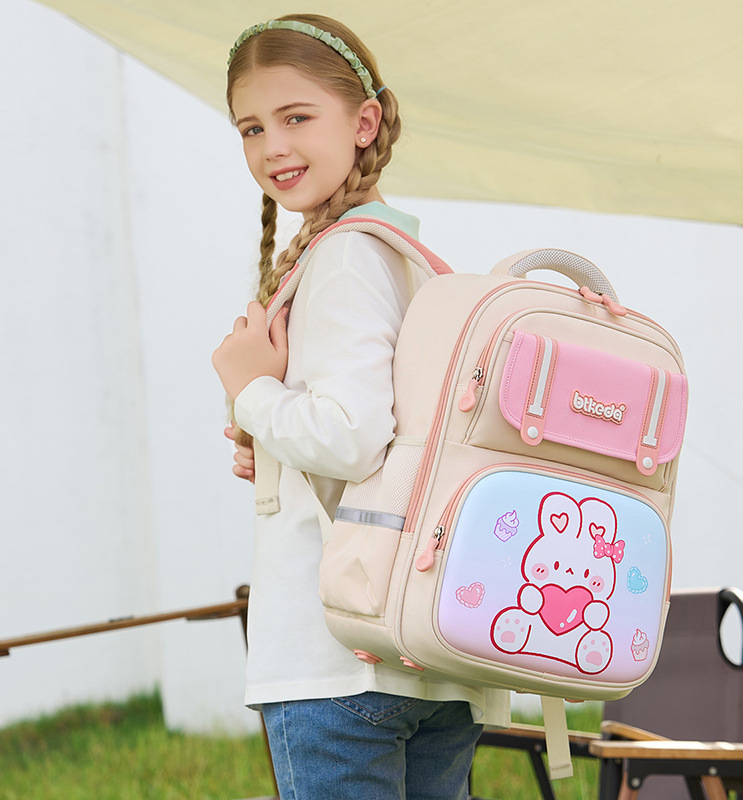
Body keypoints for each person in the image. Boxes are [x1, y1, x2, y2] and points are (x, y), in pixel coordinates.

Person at [212, 15, 510, 800]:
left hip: (336, 656)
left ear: (365, 121)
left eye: (296, 117)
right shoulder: (408, 258)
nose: (272, 146)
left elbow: (351, 438)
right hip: (427, 653)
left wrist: (250, 390)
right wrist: (273, 436)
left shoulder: (343, 254)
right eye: (251, 127)